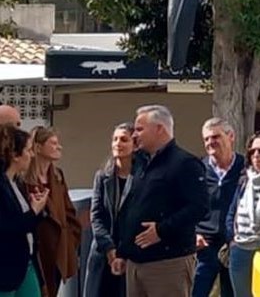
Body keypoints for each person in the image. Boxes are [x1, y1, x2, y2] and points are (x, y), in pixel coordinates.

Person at [115, 105, 209, 297]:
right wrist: (123, 251)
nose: (134, 136)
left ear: (159, 129)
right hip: (136, 262)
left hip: (168, 263)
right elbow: (133, 207)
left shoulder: (185, 163)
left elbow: (198, 207)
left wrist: (162, 230)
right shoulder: (141, 164)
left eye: (140, 129)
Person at [22, 129, 76, 297]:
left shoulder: (58, 176)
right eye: (53, 143)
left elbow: (69, 211)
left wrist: (70, 240)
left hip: (58, 248)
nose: (59, 147)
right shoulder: (24, 179)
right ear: (38, 147)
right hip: (37, 248)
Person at [193, 119, 243, 297]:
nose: (210, 142)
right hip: (204, 245)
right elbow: (185, 204)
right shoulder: (197, 169)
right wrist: (193, 233)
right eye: (206, 139)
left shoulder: (245, 169)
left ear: (231, 137)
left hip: (234, 244)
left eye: (215, 136)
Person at [84, 125, 134, 297]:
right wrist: (109, 249)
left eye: (124, 139)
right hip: (103, 252)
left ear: (135, 144)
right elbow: (96, 215)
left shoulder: (142, 178)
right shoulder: (102, 176)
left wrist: (123, 252)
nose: (118, 143)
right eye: (115, 139)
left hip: (131, 253)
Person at [223, 132, 260, 297]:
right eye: (252, 152)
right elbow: (232, 212)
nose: (256, 155)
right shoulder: (244, 180)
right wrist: (232, 240)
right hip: (240, 250)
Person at [0, 126, 47, 297]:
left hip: (26, 263)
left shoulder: (16, 182)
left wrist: (37, 208)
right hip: (6, 270)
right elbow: (9, 226)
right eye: (28, 150)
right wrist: (34, 211)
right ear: (15, 155)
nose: (32, 155)